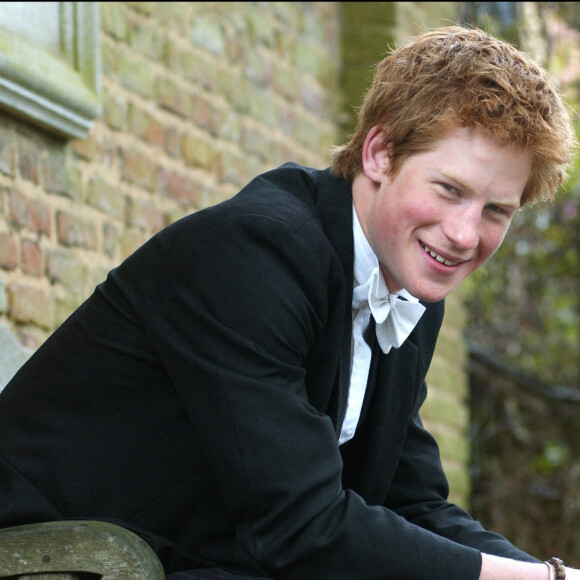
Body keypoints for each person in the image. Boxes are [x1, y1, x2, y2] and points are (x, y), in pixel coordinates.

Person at [0, 25, 578, 580]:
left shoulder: (408, 288)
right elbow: (301, 529)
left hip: (202, 557)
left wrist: (546, 574)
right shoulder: (257, 251)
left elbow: (413, 504)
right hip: (57, 553)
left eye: (495, 211)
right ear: (379, 153)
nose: (463, 233)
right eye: (449, 190)